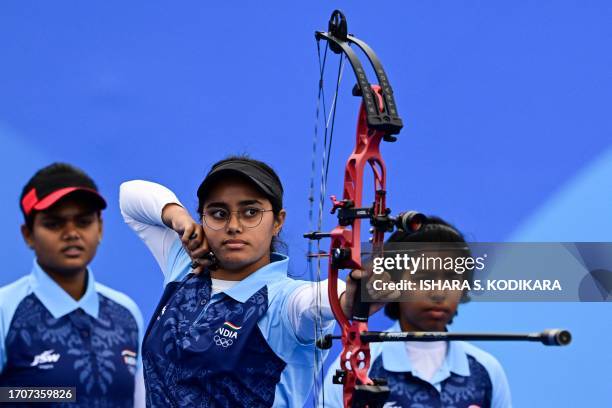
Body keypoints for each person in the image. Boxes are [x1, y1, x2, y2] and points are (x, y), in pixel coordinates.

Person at [119, 155, 389, 407]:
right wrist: (180, 220)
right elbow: (129, 195)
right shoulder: (185, 264)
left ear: (277, 222)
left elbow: (322, 301)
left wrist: (351, 299)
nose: (234, 225)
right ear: (202, 218)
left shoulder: (285, 302)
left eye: (251, 212)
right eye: (218, 213)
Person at [320, 217, 512, 408]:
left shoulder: (486, 370)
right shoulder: (355, 368)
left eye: (452, 278)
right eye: (423, 278)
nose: (438, 292)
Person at [0, 163, 145, 408]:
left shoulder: (126, 312)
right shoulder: (6, 309)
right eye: (54, 223)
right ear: (28, 235)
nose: (71, 233)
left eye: (83, 221)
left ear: (100, 228)